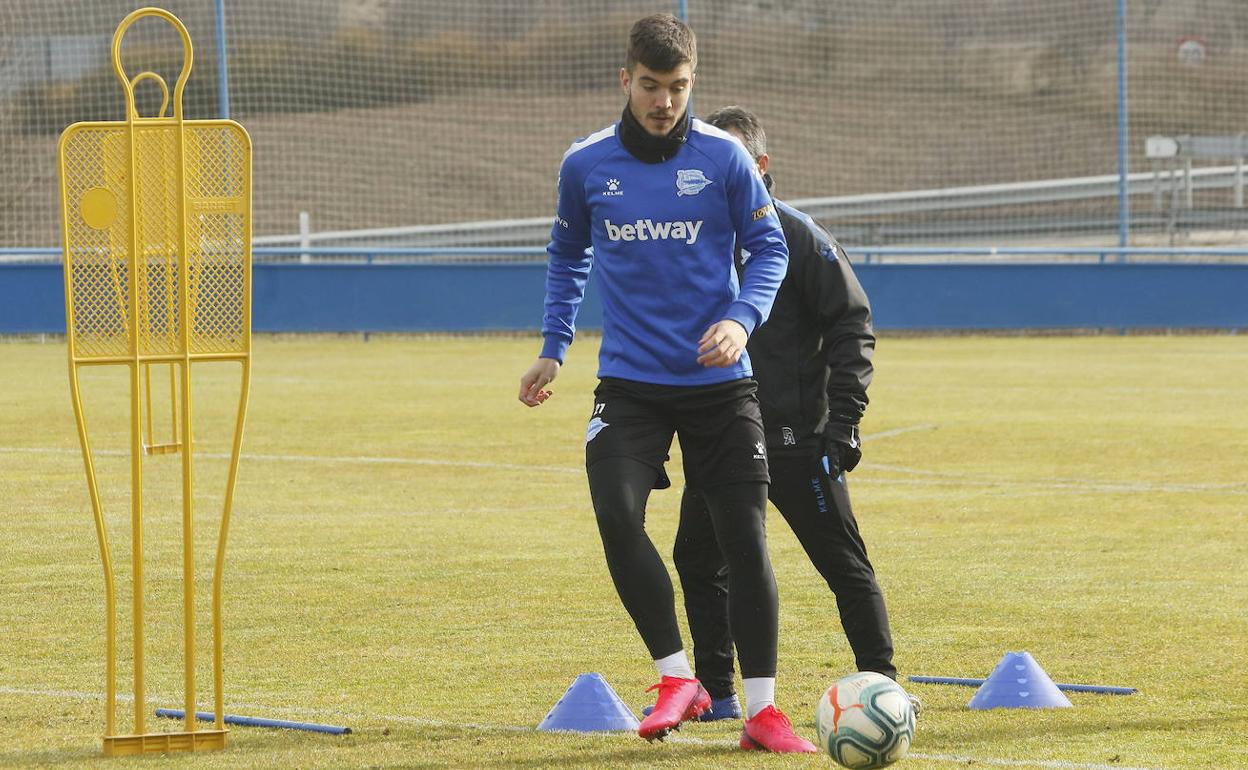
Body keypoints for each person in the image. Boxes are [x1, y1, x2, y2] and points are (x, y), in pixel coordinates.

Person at [518, 14, 816, 754]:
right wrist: (554, 348)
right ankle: (677, 676)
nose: (664, 101)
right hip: (631, 385)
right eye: (651, 86)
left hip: (721, 386)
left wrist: (742, 320)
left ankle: (764, 712)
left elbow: (769, 245)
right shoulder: (585, 165)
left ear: (692, 83)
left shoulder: (723, 158)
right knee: (616, 513)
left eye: (678, 87)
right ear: (627, 80)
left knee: (743, 539)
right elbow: (567, 257)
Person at [661, 105, 915, 721]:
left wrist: (845, 420)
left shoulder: (796, 235)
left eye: (737, 160)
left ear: (762, 164)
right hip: (722, 435)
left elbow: (853, 324)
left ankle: (883, 688)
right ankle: (719, 696)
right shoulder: (694, 238)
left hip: (800, 442)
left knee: (843, 565)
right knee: (698, 558)